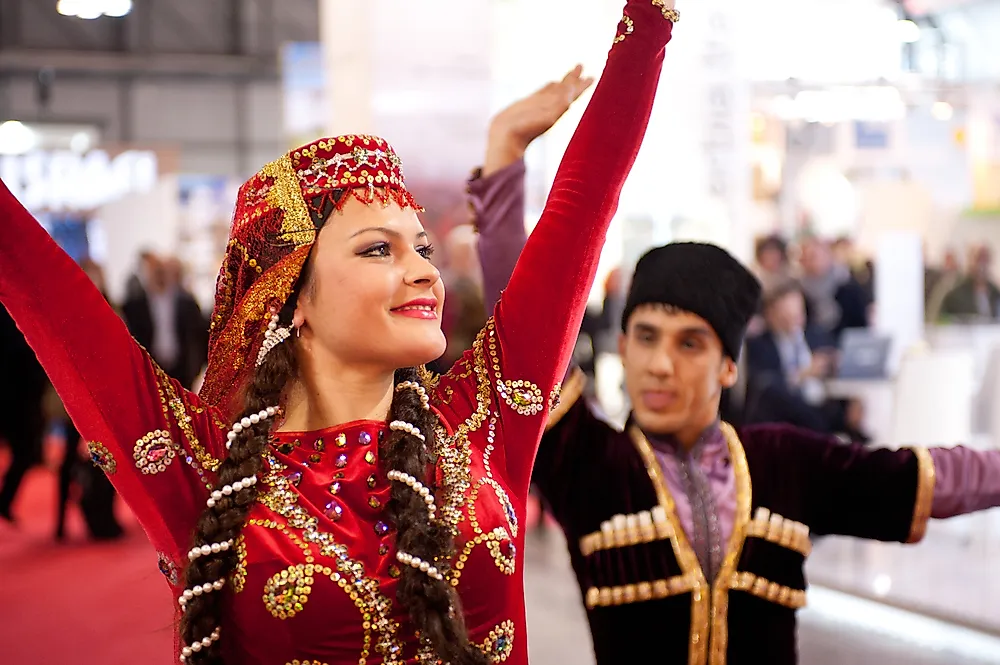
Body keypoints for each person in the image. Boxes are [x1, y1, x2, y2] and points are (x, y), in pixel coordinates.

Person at [0, 4, 676, 664]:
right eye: (379, 250)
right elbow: (42, 289)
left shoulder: (482, 418)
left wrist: (648, 22)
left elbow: (584, 202)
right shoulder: (205, 468)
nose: (422, 273)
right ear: (293, 300)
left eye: (423, 250)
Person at [471, 144, 1000, 665]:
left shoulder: (782, 462)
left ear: (728, 365)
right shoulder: (591, 463)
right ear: (624, 347)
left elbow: (918, 478)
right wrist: (505, 159)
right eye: (646, 338)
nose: (660, 364)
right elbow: (529, 330)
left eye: (689, 344)